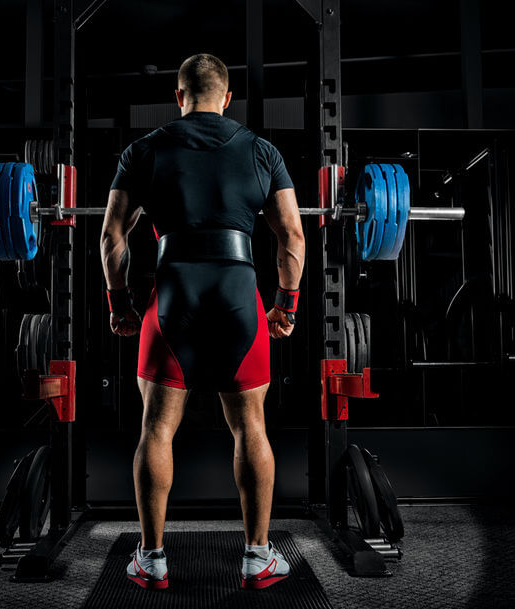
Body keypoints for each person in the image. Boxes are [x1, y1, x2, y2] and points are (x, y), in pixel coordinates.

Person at [100, 53, 305, 590]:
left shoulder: (143, 150)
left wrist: (118, 303)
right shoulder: (262, 151)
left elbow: (111, 237)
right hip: (238, 294)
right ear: (227, 98)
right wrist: (287, 304)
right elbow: (292, 236)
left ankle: (152, 559)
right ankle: (257, 557)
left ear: (178, 96)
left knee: (157, 427)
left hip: (174, 294)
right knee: (251, 426)